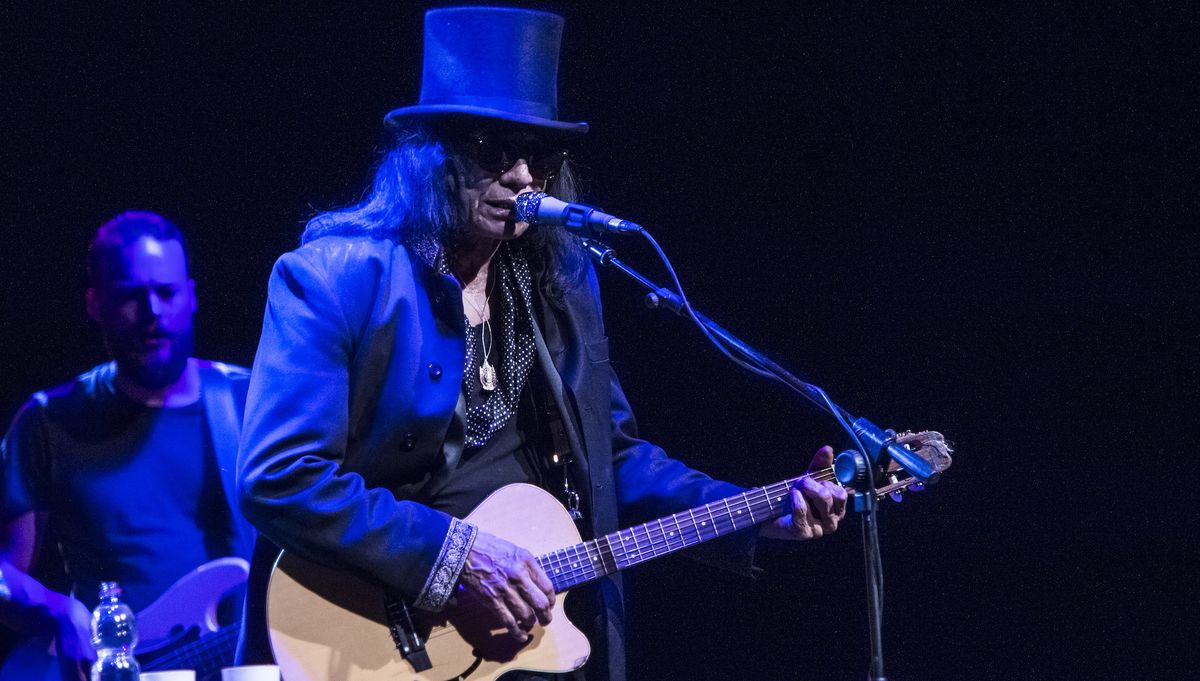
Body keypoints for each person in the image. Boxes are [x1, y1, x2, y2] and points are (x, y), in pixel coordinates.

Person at [235, 7, 848, 680]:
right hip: (379, 639)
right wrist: (456, 557)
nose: (526, 177)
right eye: (496, 152)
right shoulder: (335, 277)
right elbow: (280, 476)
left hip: (531, 648)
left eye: (541, 157)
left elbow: (608, 459)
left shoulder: (559, 279)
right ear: (430, 153)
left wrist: (759, 513)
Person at [0, 211, 255, 678]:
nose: (153, 311)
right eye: (131, 296)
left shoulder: (250, 402)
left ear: (192, 297)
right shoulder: (48, 421)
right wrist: (55, 609)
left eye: (166, 292)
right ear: (96, 304)